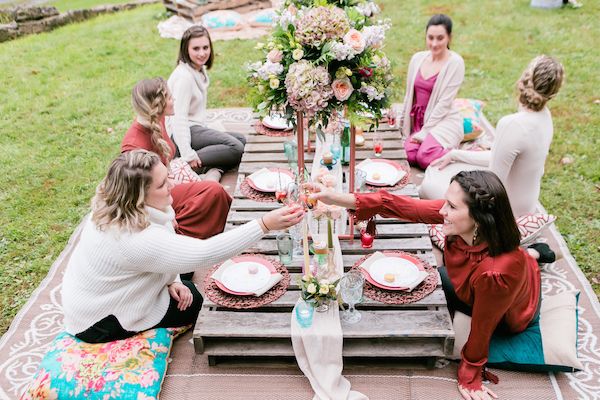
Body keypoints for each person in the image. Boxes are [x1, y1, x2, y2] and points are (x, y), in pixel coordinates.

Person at [307, 170, 555, 400]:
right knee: (444, 275)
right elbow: (403, 206)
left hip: (510, 309)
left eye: (452, 206)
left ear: (478, 218)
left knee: (441, 277)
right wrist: (334, 198)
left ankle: (531, 256)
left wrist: (470, 376)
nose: (443, 210)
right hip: (477, 276)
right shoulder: (464, 221)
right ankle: (534, 253)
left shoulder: (495, 274)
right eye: (446, 202)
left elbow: (483, 325)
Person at [62, 150, 304, 343]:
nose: (170, 185)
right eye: (161, 185)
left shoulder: (119, 205)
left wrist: (173, 280)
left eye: (166, 177)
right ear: (138, 196)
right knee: (195, 298)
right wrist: (264, 224)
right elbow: (204, 254)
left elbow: (165, 249)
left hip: (99, 291)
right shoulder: (133, 240)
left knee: (184, 278)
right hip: (100, 319)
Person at [419, 55, 565, 217]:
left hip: (502, 214)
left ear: (522, 81)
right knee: (453, 165)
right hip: (525, 207)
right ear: (552, 93)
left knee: (433, 176)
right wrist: (456, 154)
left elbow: (490, 188)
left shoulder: (511, 124)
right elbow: (502, 158)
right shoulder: (546, 117)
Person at [122, 77, 229, 248]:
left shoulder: (159, 119)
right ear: (158, 105)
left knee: (215, 193)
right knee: (213, 190)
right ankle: (179, 246)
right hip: (153, 200)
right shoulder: (133, 146)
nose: (174, 101)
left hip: (167, 182)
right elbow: (136, 197)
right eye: (170, 98)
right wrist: (167, 216)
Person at [167, 25, 246, 177]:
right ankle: (183, 165)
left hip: (194, 128)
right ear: (186, 50)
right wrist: (188, 154)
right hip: (180, 136)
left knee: (241, 140)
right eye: (196, 48)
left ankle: (207, 162)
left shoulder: (197, 70)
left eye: (205, 47)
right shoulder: (184, 78)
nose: (202, 53)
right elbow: (178, 118)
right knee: (236, 148)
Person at [400, 14, 465, 169]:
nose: (434, 43)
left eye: (440, 38)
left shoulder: (455, 63)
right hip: (418, 121)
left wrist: (426, 131)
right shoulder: (417, 59)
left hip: (443, 119)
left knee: (424, 157)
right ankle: (431, 147)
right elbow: (409, 95)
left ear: (449, 37)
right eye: (430, 38)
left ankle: (457, 154)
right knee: (408, 154)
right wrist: (401, 122)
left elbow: (445, 102)